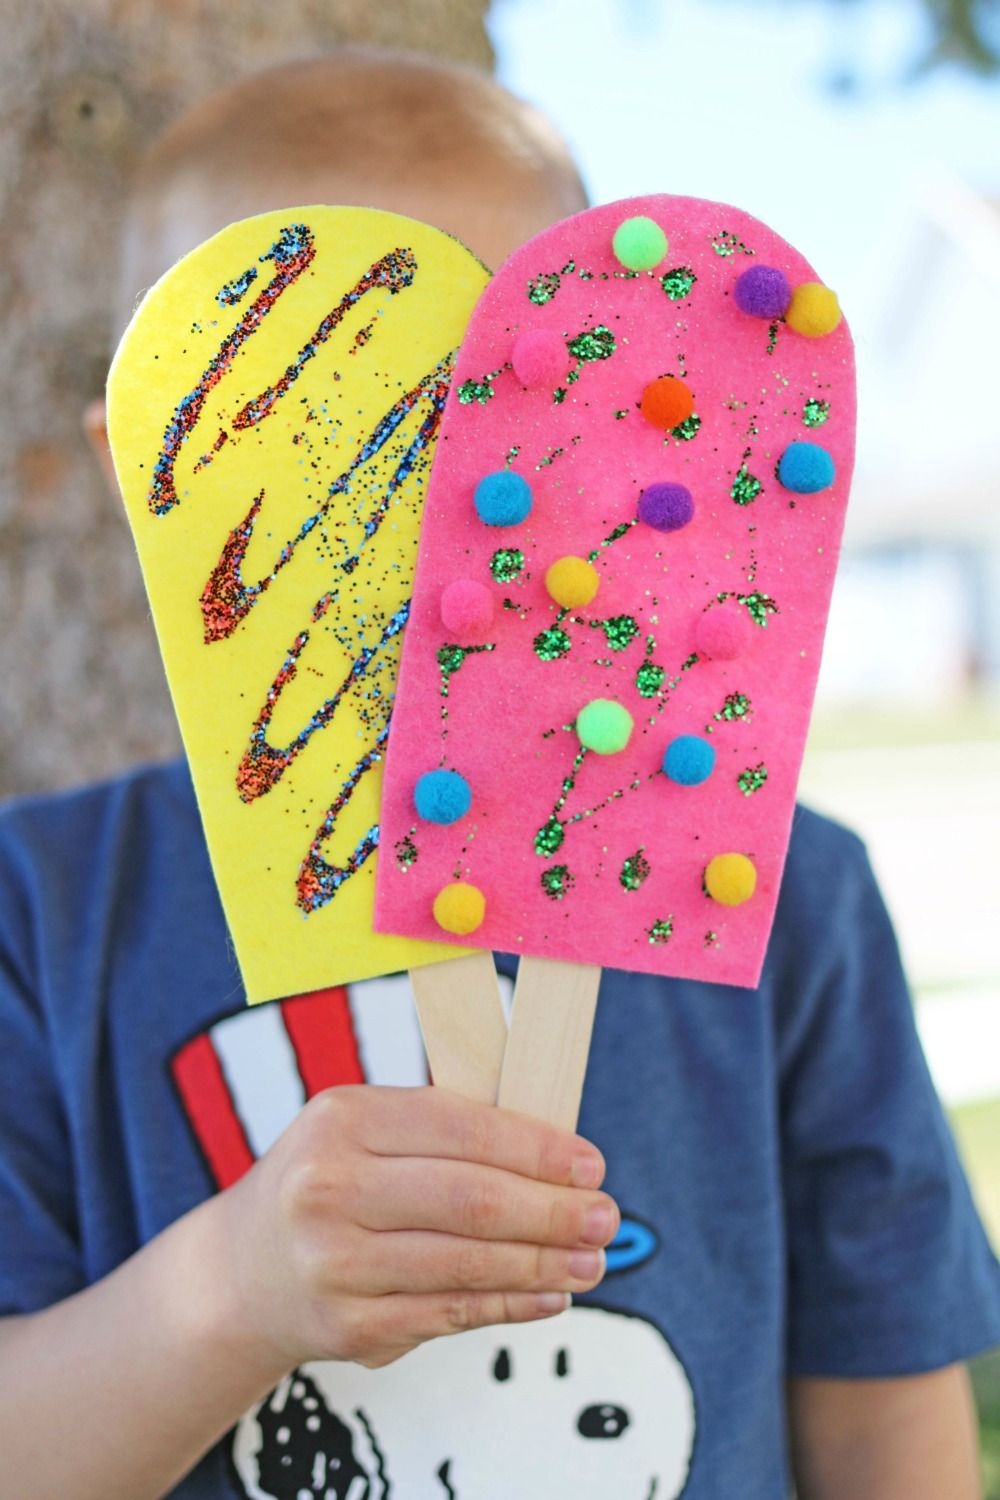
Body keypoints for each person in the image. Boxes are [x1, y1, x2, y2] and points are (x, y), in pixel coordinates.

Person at [0, 47, 997, 1500]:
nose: (452, 502)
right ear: (144, 471)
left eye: (515, 410)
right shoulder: (34, 917)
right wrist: (234, 1292)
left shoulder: (798, 898)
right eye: (341, 422)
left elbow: (884, 1415)